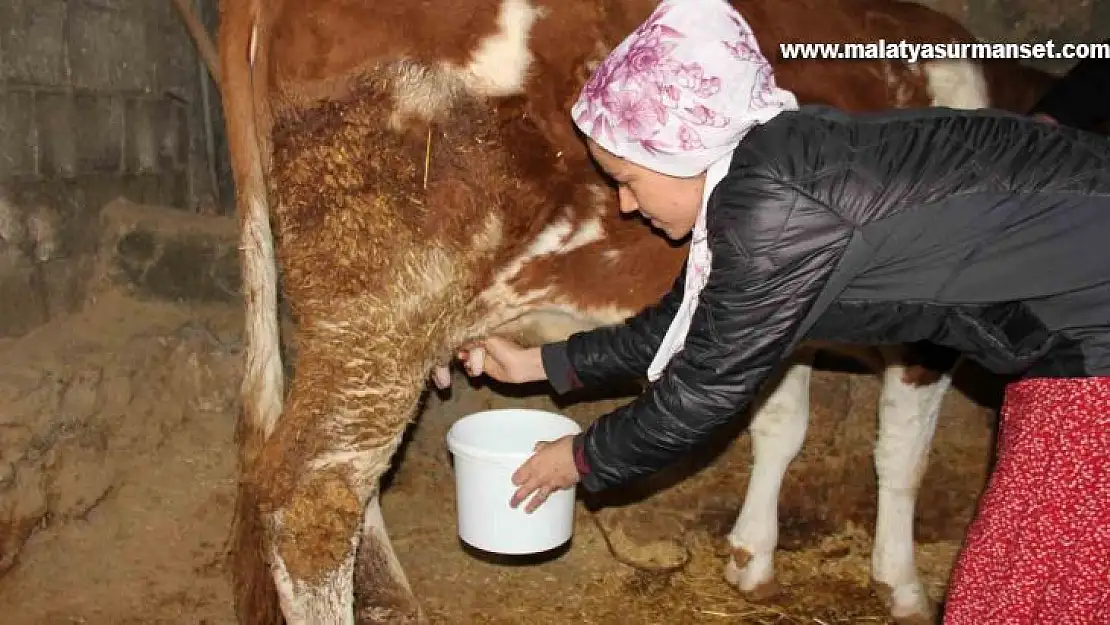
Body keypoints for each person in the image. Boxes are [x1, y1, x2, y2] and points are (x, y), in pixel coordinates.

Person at [455, 0, 1110, 622]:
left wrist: (577, 457)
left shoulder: (772, 208)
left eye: (628, 179)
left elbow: (703, 391)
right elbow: (689, 318)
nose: (626, 205)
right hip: (1071, 320)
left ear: (682, 149)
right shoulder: (771, 163)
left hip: (1092, 332)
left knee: (1032, 581)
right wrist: (540, 363)